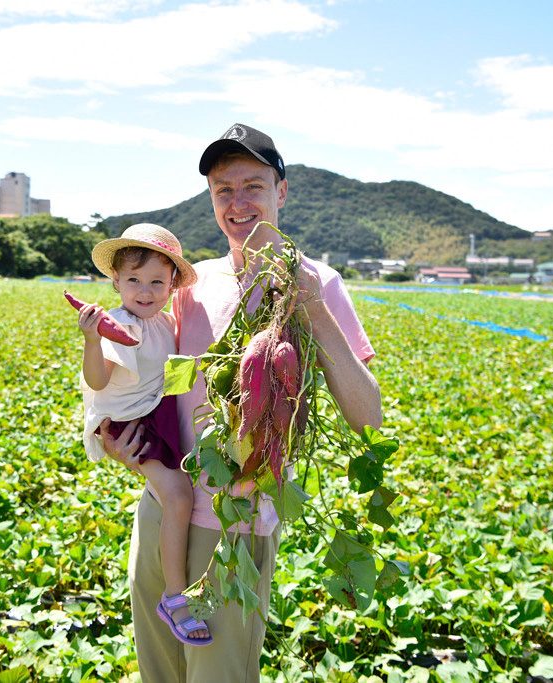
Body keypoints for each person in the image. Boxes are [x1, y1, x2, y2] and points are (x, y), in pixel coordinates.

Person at [101, 123, 382, 682]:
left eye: (252, 186)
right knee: (160, 670)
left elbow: (368, 416)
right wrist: (120, 443)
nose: (237, 203)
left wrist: (313, 310)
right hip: (164, 507)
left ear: (282, 191)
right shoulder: (188, 284)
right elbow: (145, 383)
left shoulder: (318, 283)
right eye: (222, 190)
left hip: (235, 526)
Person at [77, 223, 212, 646]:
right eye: (133, 280)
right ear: (115, 281)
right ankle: (174, 597)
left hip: (153, 412)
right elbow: (98, 382)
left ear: (172, 285)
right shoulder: (121, 325)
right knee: (178, 497)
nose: (145, 290)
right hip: (128, 422)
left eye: (157, 281)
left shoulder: (164, 322)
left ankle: (174, 590)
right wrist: (90, 341)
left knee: (175, 494)